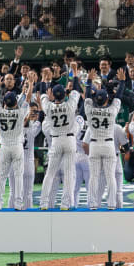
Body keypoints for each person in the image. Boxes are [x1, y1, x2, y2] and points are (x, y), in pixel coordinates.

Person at [39, 81, 81, 210]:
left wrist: (44, 81)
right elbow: (76, 90)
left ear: (53, 95)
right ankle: (65, 204)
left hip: (56, 140)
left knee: (50, 173)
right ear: (64, 95)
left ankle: (44, 203)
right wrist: (74, 74)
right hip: (69, 139)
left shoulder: (48, 106)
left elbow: (43, 95)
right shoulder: (70, 105)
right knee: (68, 174)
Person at [0, 83, 32, 210]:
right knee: (18, 176)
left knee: (2, 176)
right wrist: (31, 85)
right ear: (16, 103)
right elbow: (27, 99)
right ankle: (18, 203)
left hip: (4, 146)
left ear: (5, 103)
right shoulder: (21, 112)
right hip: (17, 146)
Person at [84, 83, 122, 210]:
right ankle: (111, 204)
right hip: (108, 144)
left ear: (96, 99)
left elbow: (87, 97)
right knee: (110, 176)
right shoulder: (111, 111)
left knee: (94, 176)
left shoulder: (89, 110)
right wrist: (121, 82)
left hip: (94, 144)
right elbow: (118, 97)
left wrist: (89, 81)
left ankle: (93, 204)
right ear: (107, 99)